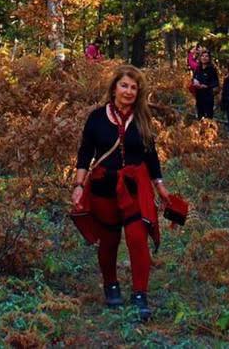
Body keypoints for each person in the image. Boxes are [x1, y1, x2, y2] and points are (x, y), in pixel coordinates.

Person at [70, 65, 173, 321]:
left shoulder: (142, 119)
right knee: (110, 240)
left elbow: (151, 154)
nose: (128, 91)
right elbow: (85, 153)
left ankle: (141, 294)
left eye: (133, 88)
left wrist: (159, 186)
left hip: (135, 188)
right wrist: (79, 185)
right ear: (114, 87)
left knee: (138, 239)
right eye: (124, 85)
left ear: (139, 93)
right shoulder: (96, 118)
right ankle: (111, 284)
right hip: (105, 186)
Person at [190, 50, 219, 120]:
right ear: (200, 58)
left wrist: (207, 86)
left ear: (209, 58)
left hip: (208, 95)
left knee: (208, 115)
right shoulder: (198, 69)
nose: (204, 58)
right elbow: (193, 78)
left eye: (206, 56)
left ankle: (209, 130)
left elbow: (215, 82)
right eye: (202, 56)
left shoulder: (212, 69)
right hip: (199, 94)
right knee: (200, 114)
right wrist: (194, 83)